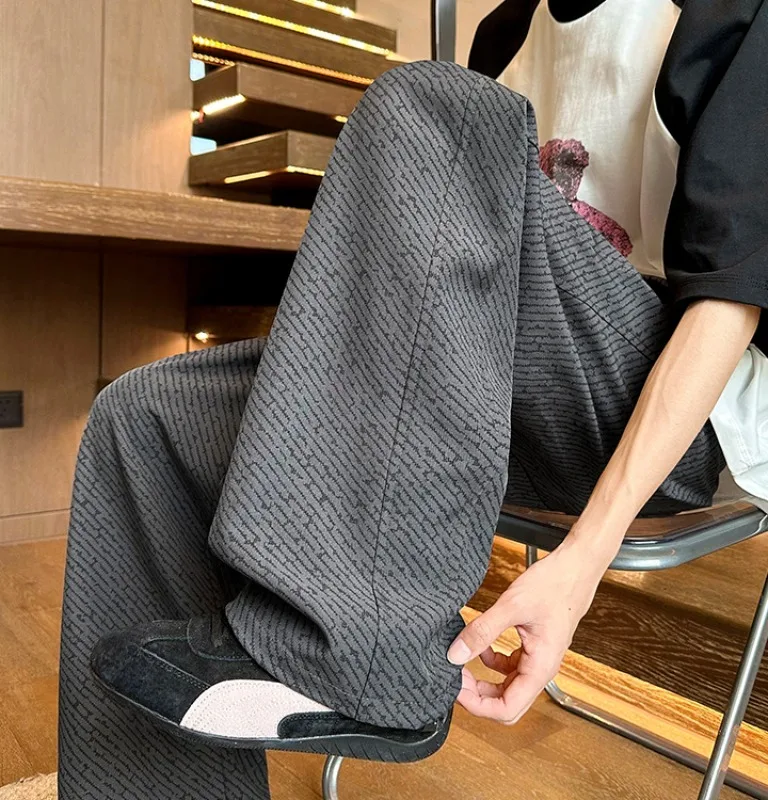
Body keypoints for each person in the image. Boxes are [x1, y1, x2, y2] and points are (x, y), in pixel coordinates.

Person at [58, 0, 767, 797]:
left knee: (435, 103)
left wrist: (582, 561)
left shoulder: (725, 11)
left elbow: (729, 305)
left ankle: (361, 657)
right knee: (147, 414)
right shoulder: (506, 31)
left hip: (676, 423)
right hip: (504, 401)